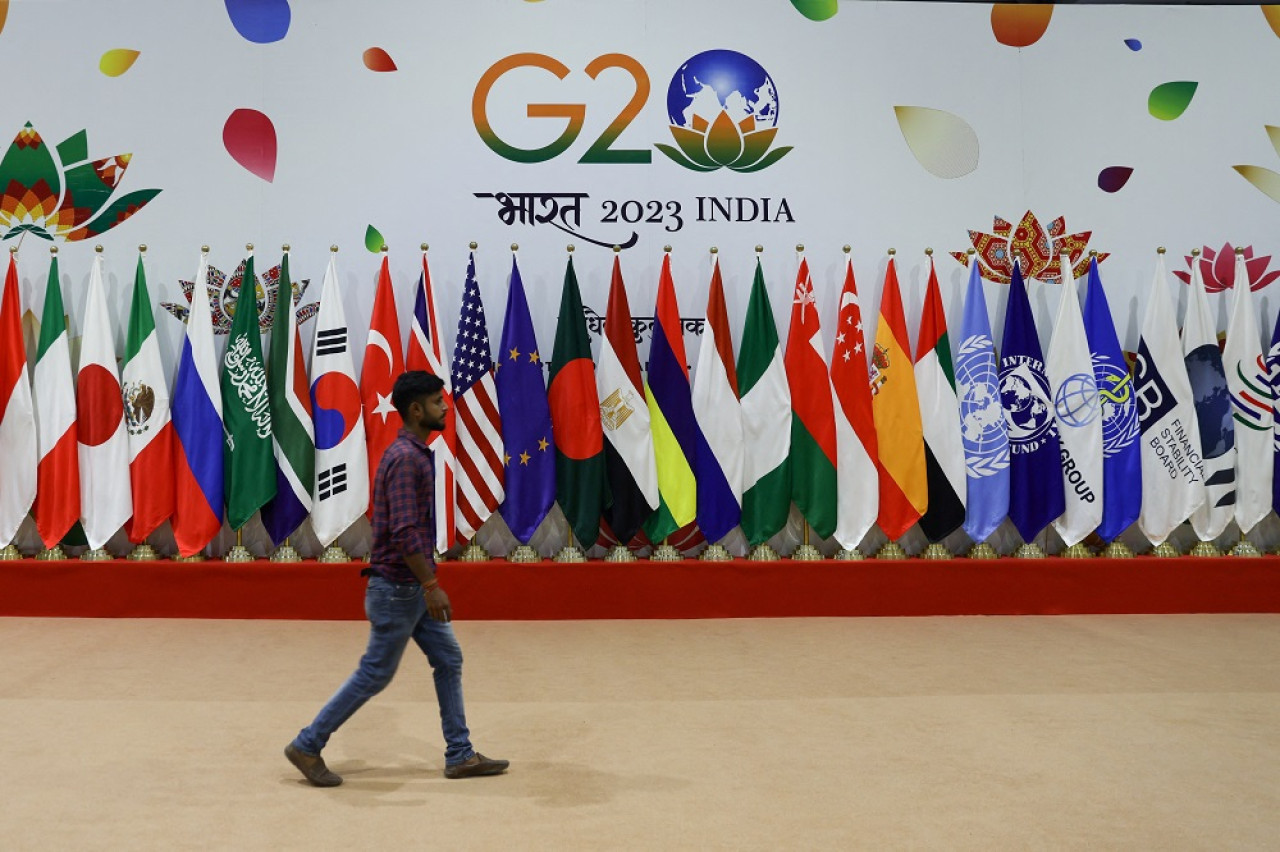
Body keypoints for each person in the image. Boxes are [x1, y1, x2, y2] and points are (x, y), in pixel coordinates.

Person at [285, 370, 508, 785]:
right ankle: (308, 743)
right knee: (375, 674)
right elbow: (405, 532)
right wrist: (431, 586)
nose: (445, 407)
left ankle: (459, 754)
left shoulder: (411, 453)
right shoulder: (407, 460)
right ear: (416, 409)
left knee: (448, 658)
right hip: (400, 591)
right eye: (437, 402)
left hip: (405, 589)